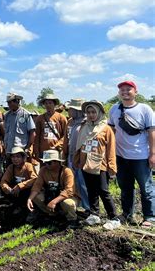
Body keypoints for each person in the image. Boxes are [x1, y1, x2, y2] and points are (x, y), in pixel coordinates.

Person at [107, 80, 155, 228]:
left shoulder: (145, 109)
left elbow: (152, 131)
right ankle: (127, 214)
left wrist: (153, 153)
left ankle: (150, 217)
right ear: (118, 93)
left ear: (135, 92)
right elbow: (111, 131)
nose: (125, 92)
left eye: (129, 89)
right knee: (125, 188)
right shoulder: (114, 109)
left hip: (140, 156)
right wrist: (110, 153)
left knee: (146, 187)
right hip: (121, 156)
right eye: (122, 90)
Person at [74, 101, 120, 229]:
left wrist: (112, 167)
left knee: (103, 191)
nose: (91, 115)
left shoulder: (106, 128)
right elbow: (79, 145)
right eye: (88, 112)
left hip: (101, 164)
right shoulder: (84, 127)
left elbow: (111, 148)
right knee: (91, 190)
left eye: (93, 112)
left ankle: (113, 217)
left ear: (99, 112)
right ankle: (95, 214)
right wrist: (77, 160)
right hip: (86, 164)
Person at [27, 150, 79, 227]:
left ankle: (72, 220)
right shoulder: (43, 170)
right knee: (36, 197)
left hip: (66, 197)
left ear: (57, 162)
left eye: (49, 162)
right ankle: (53, 214)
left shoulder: (66, 171)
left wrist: (54, 202)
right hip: (51, 195)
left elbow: (69, 191)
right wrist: (30, 199)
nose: (46, 165)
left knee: (68, 203)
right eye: (45, 162)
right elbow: (37, 186)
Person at [63, 98, 90, 211]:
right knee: (73, 181)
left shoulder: (86, 123)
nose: (68, 110)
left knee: (83, 182)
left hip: (81, 157)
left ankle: (87, 206)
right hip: (70, 156)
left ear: (77, 110)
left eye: (70, 109)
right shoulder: (70, 122)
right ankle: (77, 204)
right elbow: (66, 139)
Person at [4, 93, 36, 167]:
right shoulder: (7, 115)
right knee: (10, 172)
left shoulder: (26, 114)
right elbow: (6, 132)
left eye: (10, 102)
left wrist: (27, 148)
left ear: (17, 102)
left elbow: (32, 133)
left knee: (22, 173)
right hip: (9, 151)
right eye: (8, 102)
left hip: (21, 152)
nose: (9, 104)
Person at [34, 93, 67, 160]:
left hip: (56, 150)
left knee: (56, 168)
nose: (48, 105)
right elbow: (37, 136)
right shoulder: (40, 118)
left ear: (54, 104)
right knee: (44, 169)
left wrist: (58, 145)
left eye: (50, 103)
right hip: (43, 151)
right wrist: (36, 151)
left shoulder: (61, 118)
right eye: (46, 103)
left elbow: (66, 135)